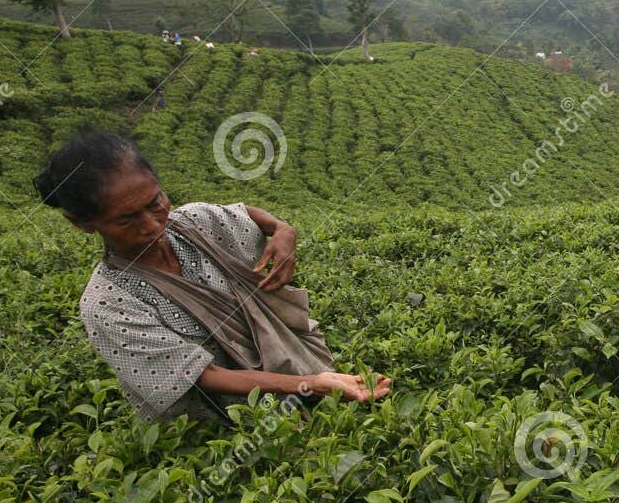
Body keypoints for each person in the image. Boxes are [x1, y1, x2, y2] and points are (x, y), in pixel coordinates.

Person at [34, 132, 391, 423]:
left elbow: (245, 213)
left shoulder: (195, 223)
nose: (152, 223)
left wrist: (283, 231)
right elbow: (201, 376)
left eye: (155, 202)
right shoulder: (108, 302)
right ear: (82, 223)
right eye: (128, 219)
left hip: (292, 392)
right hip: (211, 428)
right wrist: (311, 384)